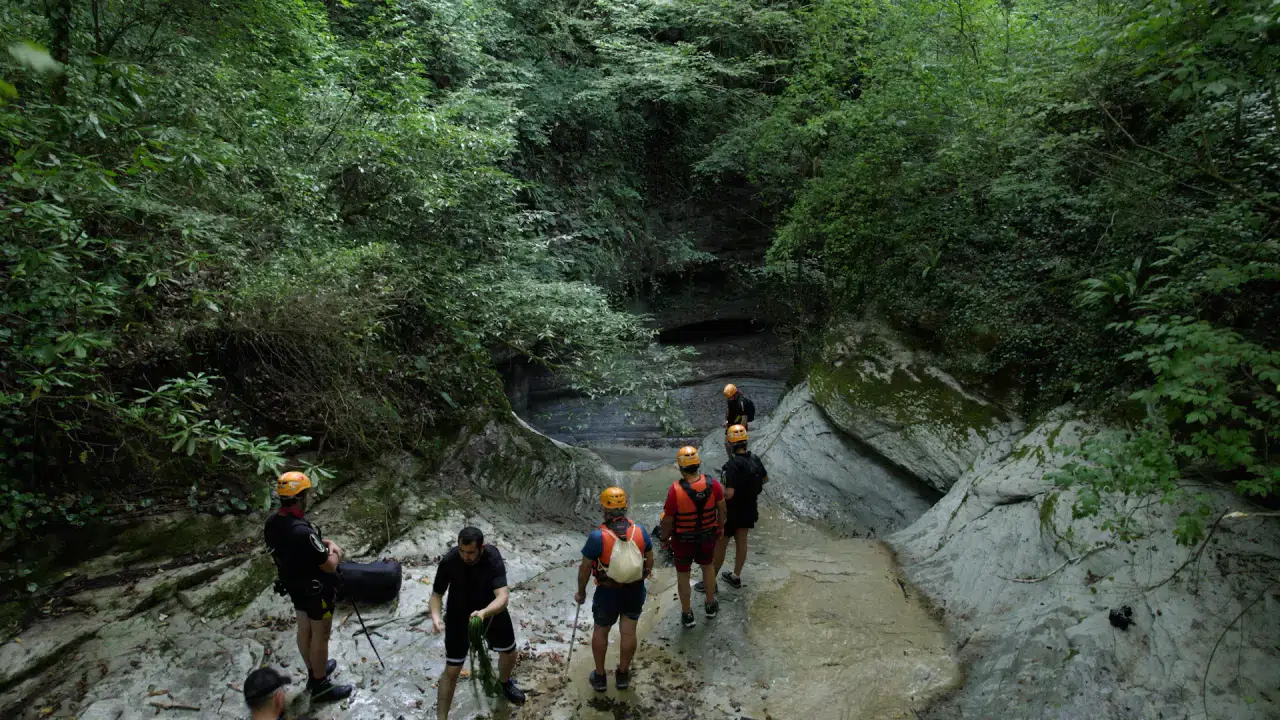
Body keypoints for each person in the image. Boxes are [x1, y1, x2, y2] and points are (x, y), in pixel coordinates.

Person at [264, 471, 353, 703]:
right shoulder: (301, 532)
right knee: (320, 635)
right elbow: (329, 566)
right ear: (300, 496)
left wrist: (318, 545)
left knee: (304, 629)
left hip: (294, 585)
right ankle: (320, 686)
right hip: (315, 590)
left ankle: (315, 669)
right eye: (307, 494)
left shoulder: (273, 522)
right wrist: (334, 549)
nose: (310, 497)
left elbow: (293, 550)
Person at [430, 526, 526, 718]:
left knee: (509, 652)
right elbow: (436, 595)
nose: (465, 557)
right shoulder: (450, 561)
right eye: (462, 551)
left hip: (490, 610)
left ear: (481, 547)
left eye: (471, 552)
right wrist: (436, 617)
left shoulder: (492, 557)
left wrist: (484, 613)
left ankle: (504, 683)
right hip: (458, 615)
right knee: (452, 669)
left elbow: (503, 597)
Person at [575, 487, 655, 692]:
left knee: (601, 630)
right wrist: (640, 577)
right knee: (628, 632)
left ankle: (600, 677)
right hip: (634, 591)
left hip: (607, 593)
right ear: (625, 508)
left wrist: (581, 592)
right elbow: (649, 561)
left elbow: (585, 569)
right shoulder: (640, 531)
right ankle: (623, 675)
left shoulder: (597, 537)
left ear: (605, 510)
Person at [659, 446, 727, 629]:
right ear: (698, 464)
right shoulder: (713, 485)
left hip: (683, 541)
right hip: (707, 537)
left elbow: (667, 520)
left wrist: (664, 538)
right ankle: (710, 605)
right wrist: (720, 527)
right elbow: (722, 509)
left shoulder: (675, 491)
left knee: (683, 575)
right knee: (708, 567)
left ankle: (687, 614)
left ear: (680, 468)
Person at [696, 425, 769, 592]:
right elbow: (764, 479)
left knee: (721, 544)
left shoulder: (731, 466)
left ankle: (710, 582)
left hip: (732, 512)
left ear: (729, 444)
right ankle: (736, 576)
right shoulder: (755, 459)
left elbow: (728, 494)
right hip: (749, 508)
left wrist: (715, 491)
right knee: (742, 540)